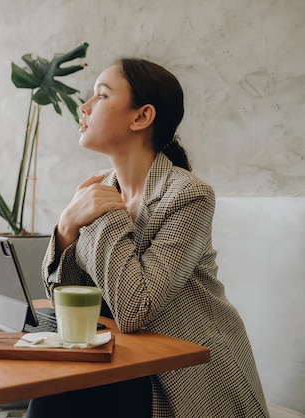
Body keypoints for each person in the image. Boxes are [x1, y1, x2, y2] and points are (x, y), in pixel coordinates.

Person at [28, 57, 269, 418]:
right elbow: (66, 299)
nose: (85, 106)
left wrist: (104, 215)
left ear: (141, 117)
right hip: (120, 359)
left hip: (185, 372)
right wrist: (66, 228)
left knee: (57, 397)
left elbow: (135, 309)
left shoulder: (189, 195)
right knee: (56, 386)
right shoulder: (98, 189)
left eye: (101, 95)